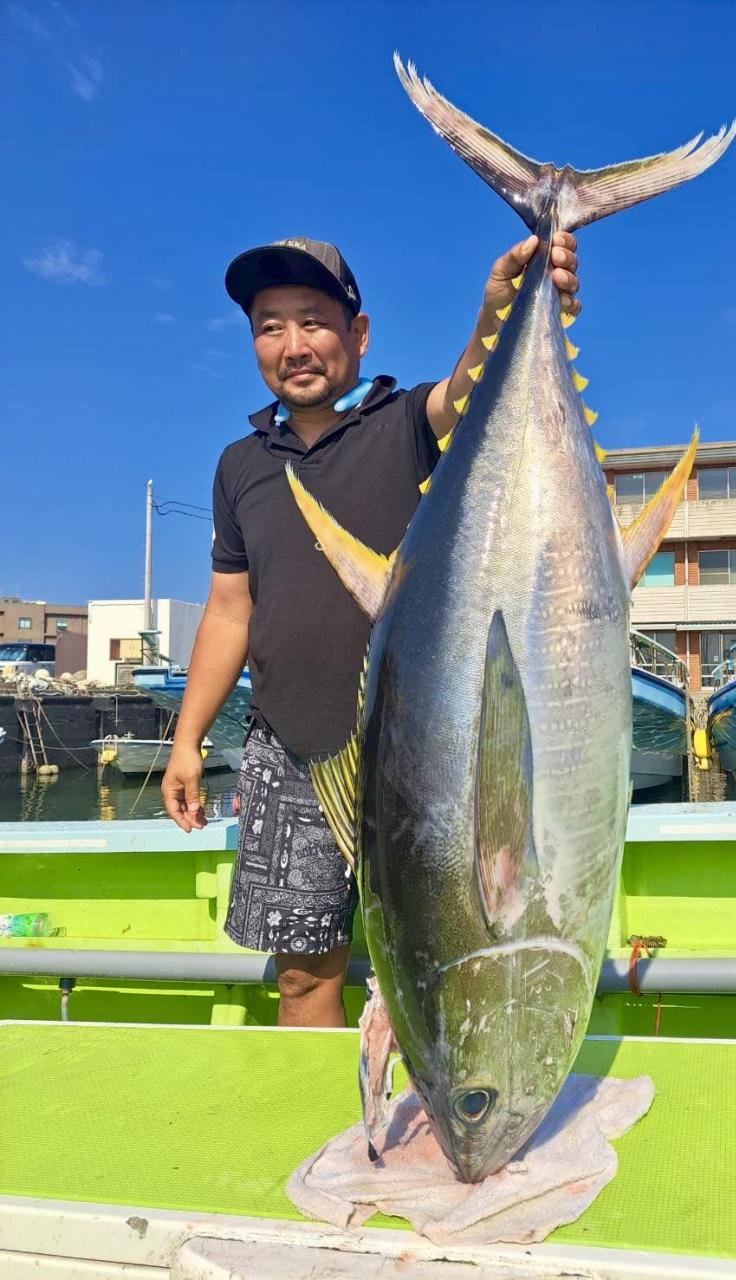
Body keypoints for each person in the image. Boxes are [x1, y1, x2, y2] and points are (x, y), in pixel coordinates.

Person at [161, 232, 581, 1027]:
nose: (293, 346)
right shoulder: (240, 465)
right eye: (269, 327)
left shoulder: (407, 423)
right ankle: (322, 1107)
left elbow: (470, 392)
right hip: (291, 749)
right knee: (301, 977)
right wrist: (187, 740)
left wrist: (499, 309)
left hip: (427, 751)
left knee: (449, 958)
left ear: (358, 333)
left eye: (313, 321)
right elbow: (229, 609)